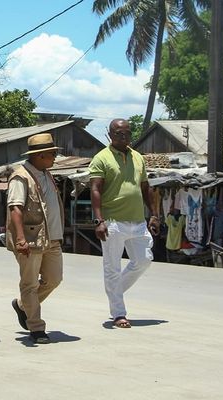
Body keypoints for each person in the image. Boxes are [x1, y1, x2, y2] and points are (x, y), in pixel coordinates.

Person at [89, 118, 158, 329]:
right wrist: (99, 220)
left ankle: (114, 291)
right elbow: (95, 189)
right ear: (110, 134)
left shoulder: (138, 158)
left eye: (128, 133)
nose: (124, 137)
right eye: (119, 133)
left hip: (137, 221)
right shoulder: (101, 158)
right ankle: (118, 313)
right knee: (112, 267)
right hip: (113, 222)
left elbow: (145, 188)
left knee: (144, 259)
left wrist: (154, 213)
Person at [6, 133, 64, 344]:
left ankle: (23, 306)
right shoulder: (21, 177)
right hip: (31, 239)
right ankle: (36, 328)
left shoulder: (46, 173)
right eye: (52, 154)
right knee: (29, 284)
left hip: (52, 238)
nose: (55, 157)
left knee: (54, 279)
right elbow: (15, 209)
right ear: (39, 155)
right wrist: (20, 239)